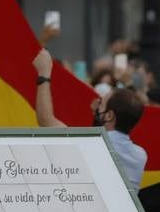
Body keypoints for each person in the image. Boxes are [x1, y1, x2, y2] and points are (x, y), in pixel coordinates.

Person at [32, 49, 147, 191]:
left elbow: (46, 121)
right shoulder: (140, 155)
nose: (97, 105)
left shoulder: (93, 143)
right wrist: (100, 115)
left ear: (109, 115)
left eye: (102, 103)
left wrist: (44, 74)